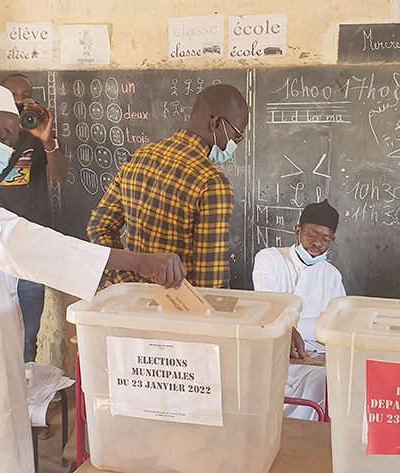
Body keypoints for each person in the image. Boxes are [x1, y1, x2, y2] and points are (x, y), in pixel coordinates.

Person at [0, 82, 186, 473]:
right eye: (3, 136)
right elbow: (11, 241)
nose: (7, 148)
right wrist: (135, 261)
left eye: (14, 136)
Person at [87, 84, 246, 289]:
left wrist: (127, 283)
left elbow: (99, 227)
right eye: (237, 135)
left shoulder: (138, 158)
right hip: (178, 313)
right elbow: (210, 284)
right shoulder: (211, 183)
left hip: (131, 307)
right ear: (216, 123)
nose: (234, 143)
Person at [0, 74, 67, 364]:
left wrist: (48, 140)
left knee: (29, 329)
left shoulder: (36, 132)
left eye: (25, 94)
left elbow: (62, 175)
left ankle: (28, 389)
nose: (20, 100)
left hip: (30, 244)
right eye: (12, 95)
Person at [252, 201, 345, 421]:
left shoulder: (331, 275)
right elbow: (268, 307)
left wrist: (298, 329)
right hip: (271, 353)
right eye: (311, 234)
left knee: (326, 381)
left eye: (325, 239)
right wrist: (290, 329)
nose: (316, 243)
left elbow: (338, 322)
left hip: (311, 362)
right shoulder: (270, 258)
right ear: (297, 231)